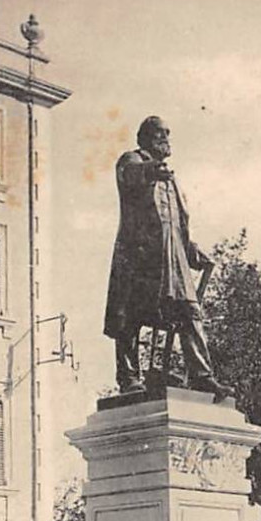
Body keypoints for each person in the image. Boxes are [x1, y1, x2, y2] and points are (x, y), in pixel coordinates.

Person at [104, 116, 232, 398]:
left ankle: (201, 376)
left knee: (190, 313)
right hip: (141, 259)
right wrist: (151, 170)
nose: (166, 138)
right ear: (146, 137)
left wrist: (194, 252)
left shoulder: (170, 181)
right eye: (161, 133)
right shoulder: (133, 161)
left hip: (173, 262)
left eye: (168, 134)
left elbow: (175, 227)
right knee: (131, 317)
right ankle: (129, 378)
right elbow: (130, 175)